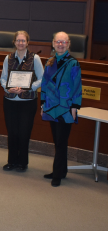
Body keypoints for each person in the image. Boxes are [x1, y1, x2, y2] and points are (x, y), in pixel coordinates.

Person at [41, 32, 82, 187]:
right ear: (53, 43)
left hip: (65, 109)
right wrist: (43, 104)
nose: (60, 44)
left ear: (68, 44)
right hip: (51, 107)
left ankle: (57, 174)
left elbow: (77, 86)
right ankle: (61, 170)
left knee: (61, 141)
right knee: (57, 141)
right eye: (58, 41)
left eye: (64, 42)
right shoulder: (49, 62)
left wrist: (75, 107)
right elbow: (44, 84)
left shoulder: (73, 63)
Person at [0, 31, 44, 172]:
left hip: (28, 102)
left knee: (24, 132)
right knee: (12, 132)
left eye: (23, 41)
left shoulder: (35, 58)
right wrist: (8, 88)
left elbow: (42, 79)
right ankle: (12, 161)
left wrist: (29, 87)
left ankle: (22, 162)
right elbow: (3, 78)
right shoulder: (8, 58)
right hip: (10, 100)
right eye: (18, 40)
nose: (20, 43)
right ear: (14, 42)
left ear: (27, 42)